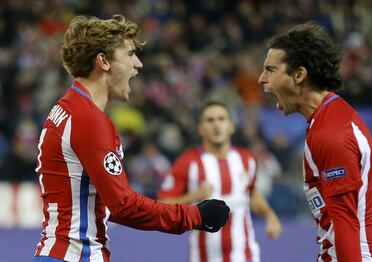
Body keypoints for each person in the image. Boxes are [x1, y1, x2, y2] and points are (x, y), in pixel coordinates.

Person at [33, 15, 230, 262]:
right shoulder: (88, 120)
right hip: (76, 256)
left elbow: (102, 201)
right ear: (103, 61)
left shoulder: (65, 109)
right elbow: (123, 205)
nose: (138, 64)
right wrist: (194, 216)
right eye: (130, 54)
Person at [258, 22, 372, 261]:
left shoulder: (331, 133)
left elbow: (345, 221)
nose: (261, 79)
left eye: (270, 70)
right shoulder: (329, 118)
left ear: (299, 75)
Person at [158, 101, 282, 262]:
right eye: (210, 120)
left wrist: (270, 216)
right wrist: (194, 196)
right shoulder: (188, 162)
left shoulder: (247, 159)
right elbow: (163, 204)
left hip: (245, 254)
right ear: (200, 128)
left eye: (221, 119)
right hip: (204, 256)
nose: (216, 125)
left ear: (231, 126)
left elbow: (251, 194)